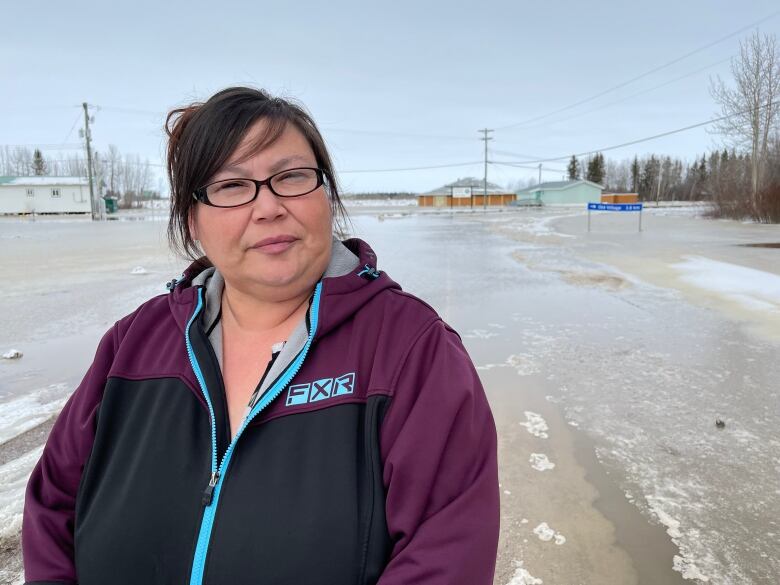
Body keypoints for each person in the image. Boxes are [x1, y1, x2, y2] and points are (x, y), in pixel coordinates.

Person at [22, 86, 500, 585]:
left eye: (291, 177)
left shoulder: (411, 351)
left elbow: (446, 557)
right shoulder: (131, 345)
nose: (268, 206)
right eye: (230, 186)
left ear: (326, 197)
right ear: (193, 221)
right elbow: (52, 509)